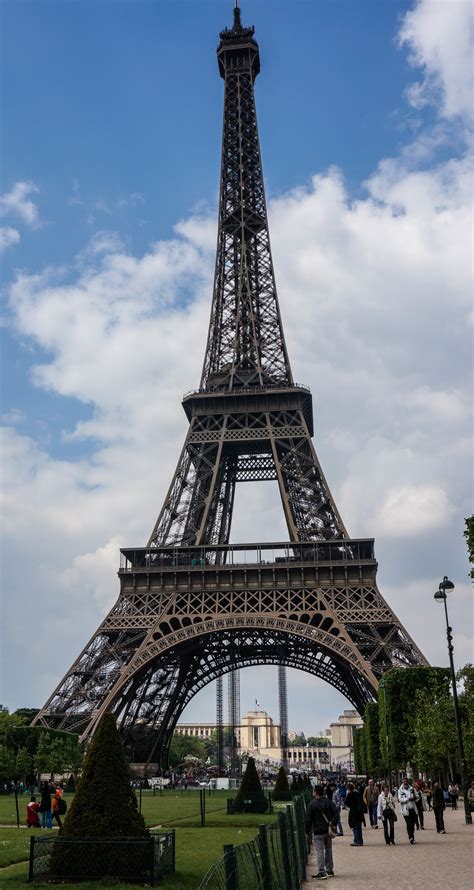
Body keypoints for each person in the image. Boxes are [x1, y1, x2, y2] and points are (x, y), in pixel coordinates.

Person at [305, 784, 339, 880]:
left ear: (315, 792)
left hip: (318, 830)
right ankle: (329, 869)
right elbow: (336, 812)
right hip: (327, 829)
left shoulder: (312, 804)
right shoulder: (328, 802)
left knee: (320, 851)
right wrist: (334, 823)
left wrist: (307, 831)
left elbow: (308, 820)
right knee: (328, 849)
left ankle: (321, 871)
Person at [398, 777, 419, 844]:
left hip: (413, 809)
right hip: (406, 810)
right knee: (409, 823)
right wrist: (407, 799)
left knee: (413, 824)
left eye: (406, 781)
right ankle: (411, 837)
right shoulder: (400, 790)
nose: (405, 782)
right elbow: (400, 799)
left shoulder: (412, 789)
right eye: (404, 781)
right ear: (402, 782)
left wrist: (414, 799)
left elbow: (417, 797)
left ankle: (412, 836)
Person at [346, 781, 364, 846]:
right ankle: (360, 840)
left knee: (355, 827)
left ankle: (357, 841)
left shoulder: (350, 795)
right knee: (359, 827)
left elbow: (347, 803)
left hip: (354, 813)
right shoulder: (357, 793)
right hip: (359, 813)